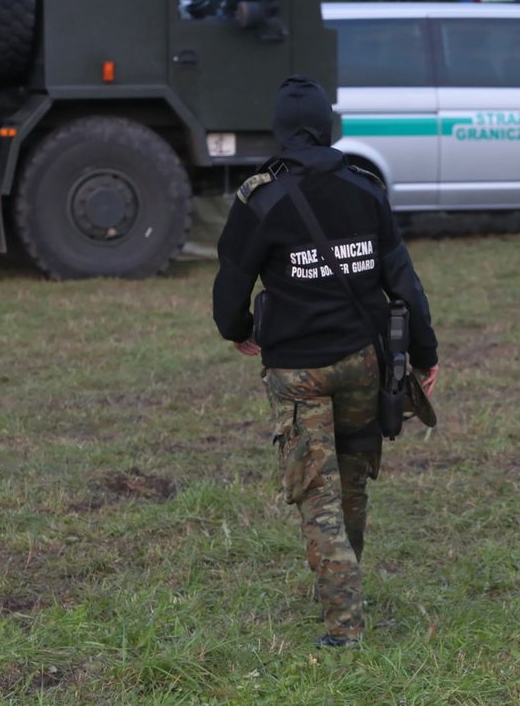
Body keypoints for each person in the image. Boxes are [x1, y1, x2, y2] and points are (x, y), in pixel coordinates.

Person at [212, 75, 439, 647]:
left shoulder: (260, 198)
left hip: (298, 373)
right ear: (329, 124)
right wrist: (426, 354)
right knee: (351, 486)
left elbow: (230, 285)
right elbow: (404, 282)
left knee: (319, 495)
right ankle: (343, 582)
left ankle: (343, 625)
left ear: (280, 132)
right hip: (364, 362)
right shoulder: (365, 188)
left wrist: (237, 331)